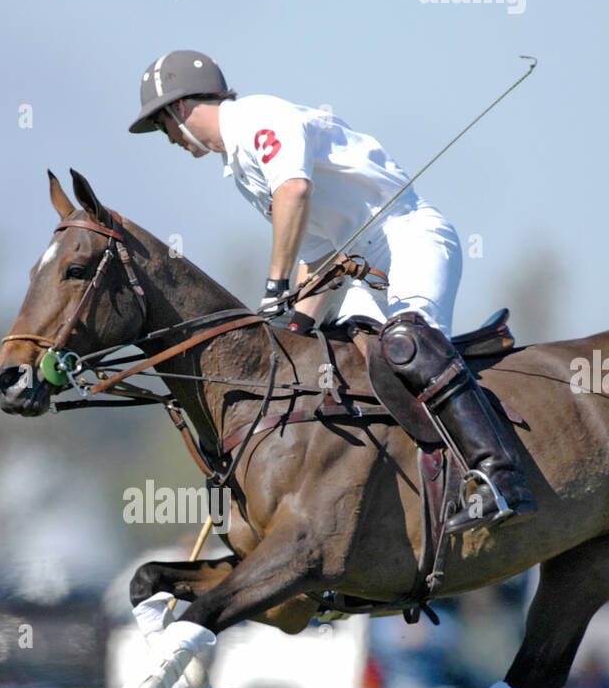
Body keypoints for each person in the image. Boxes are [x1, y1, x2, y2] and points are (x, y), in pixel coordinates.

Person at [129, 50, 535, 534]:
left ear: (178, 110)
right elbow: (321, 253)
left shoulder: (260, 117)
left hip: (407, 237)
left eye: (163, 126)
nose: (169, 139)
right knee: (335, 364)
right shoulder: (240, 169)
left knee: (405, 346)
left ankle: (498, 478)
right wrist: (292, 325)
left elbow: (294, 192)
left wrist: (274, 285)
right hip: (357, 268)